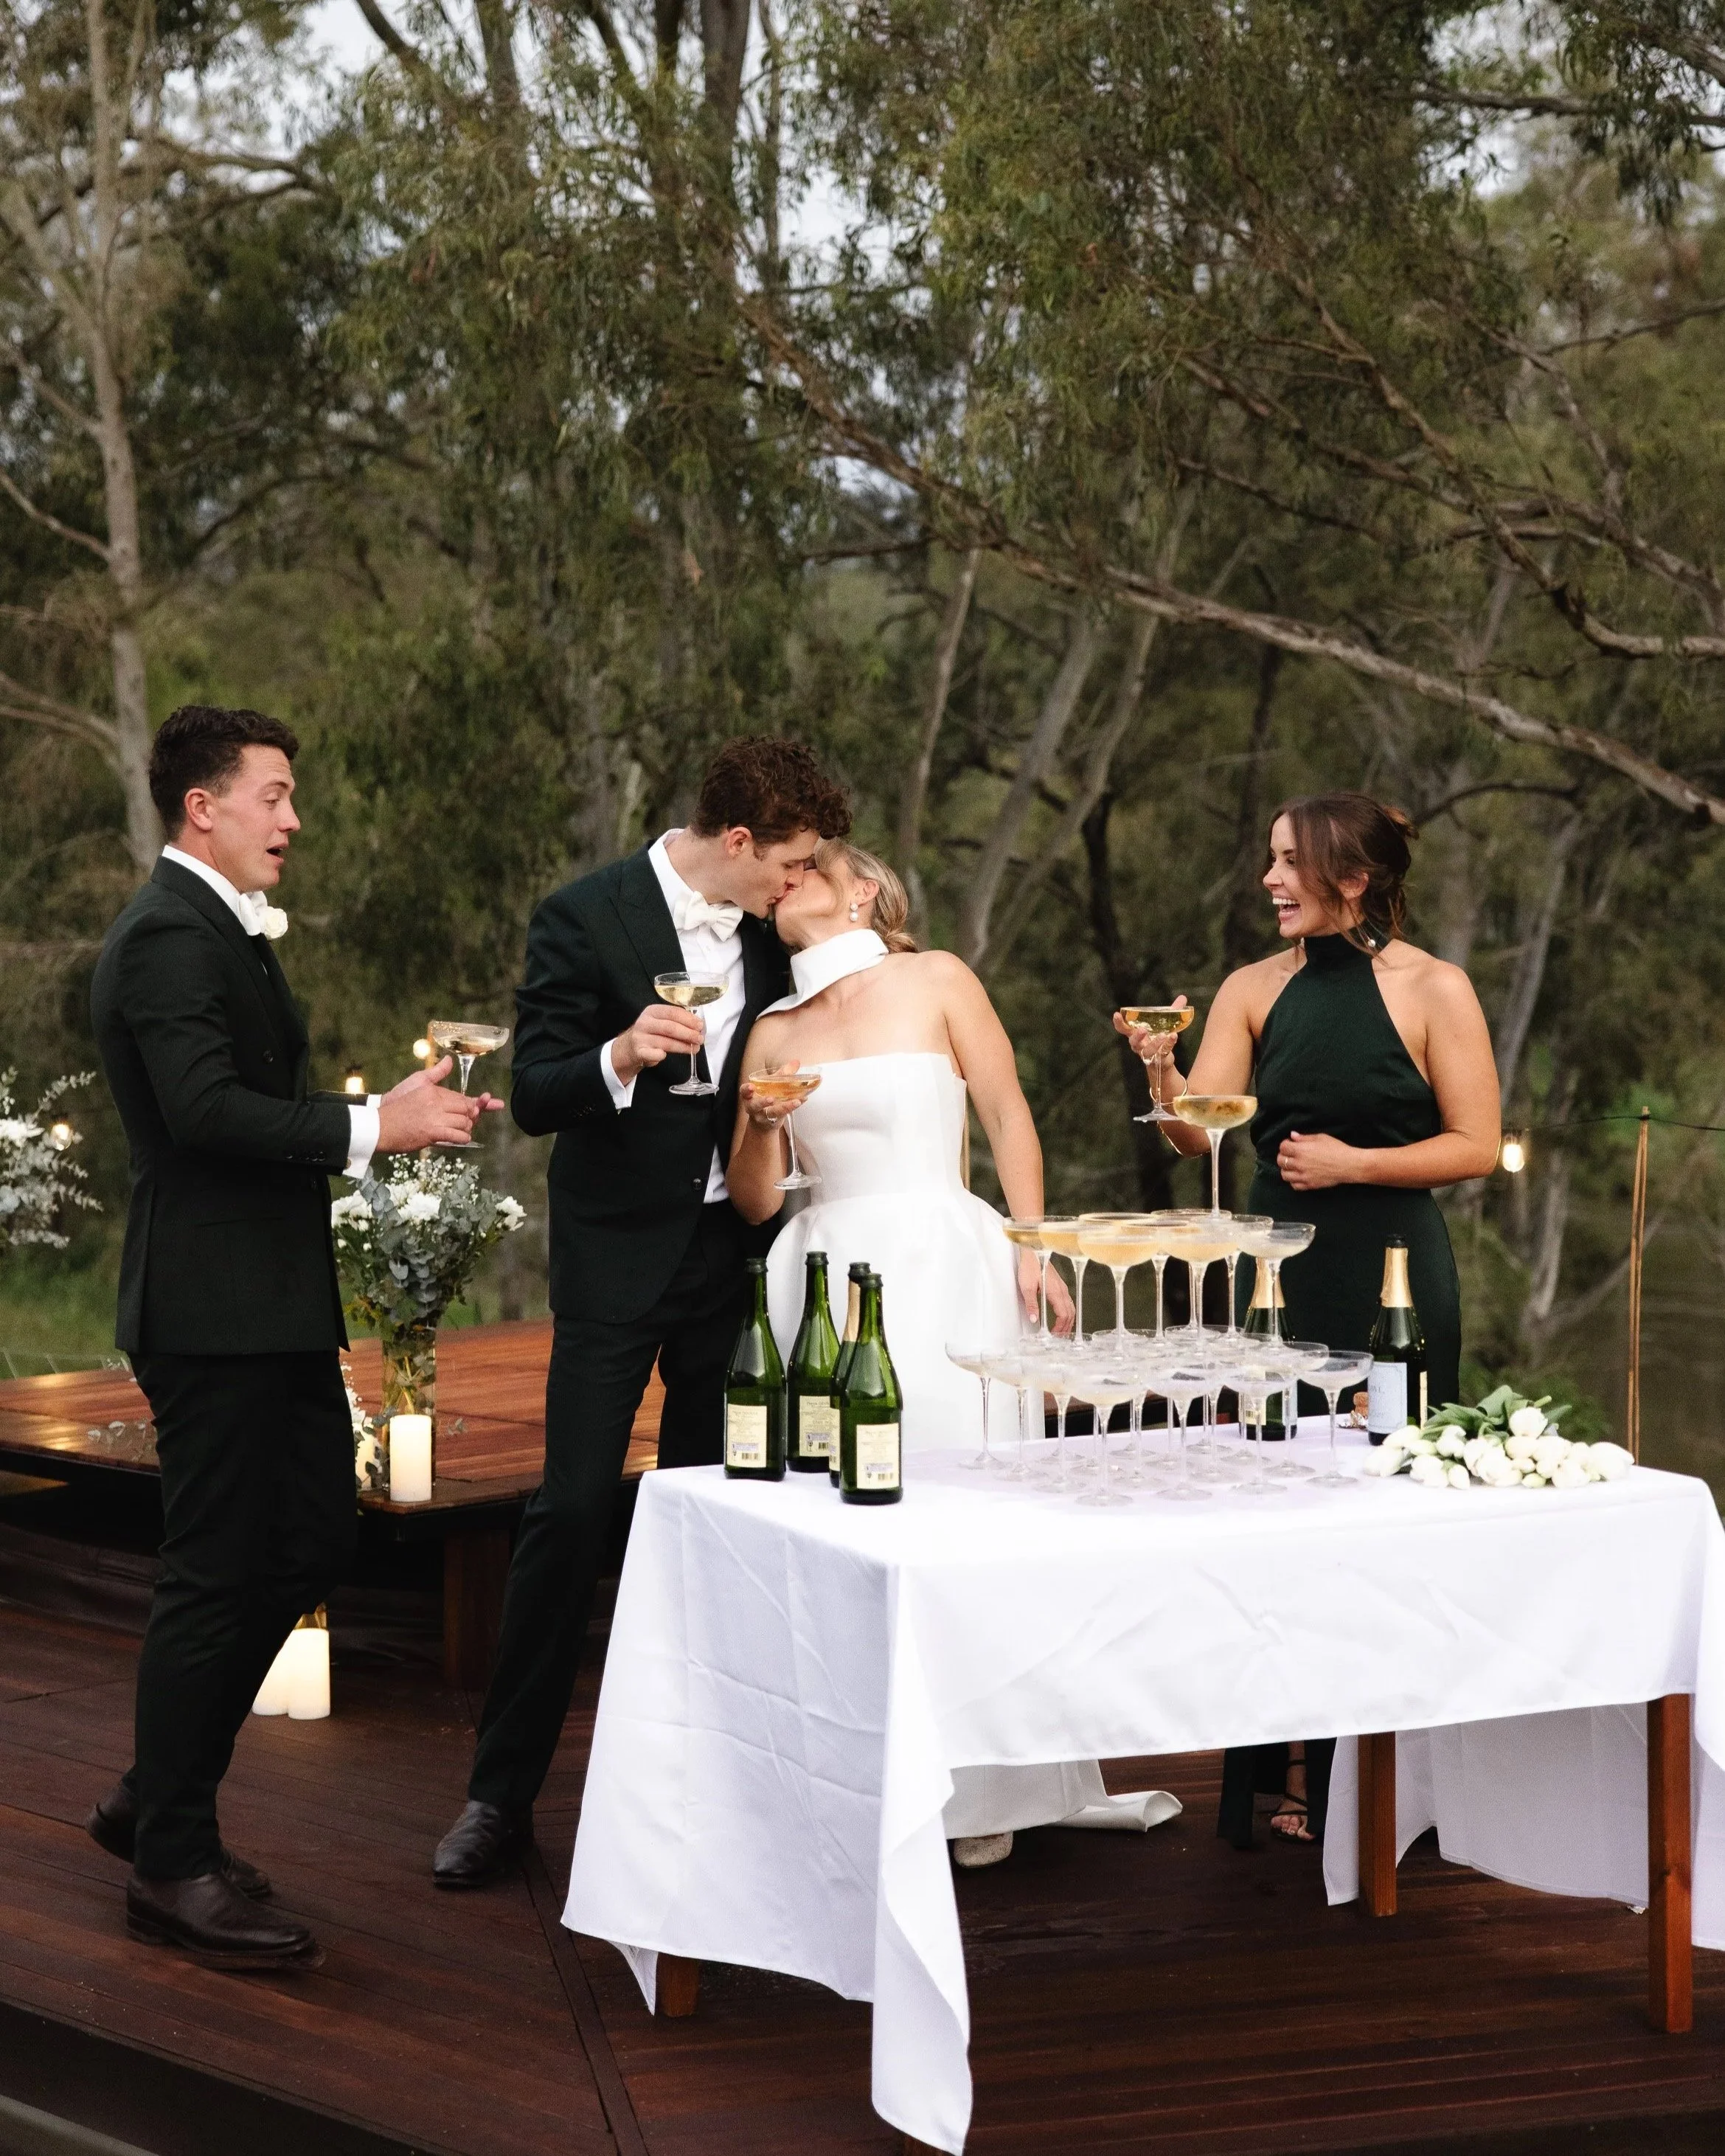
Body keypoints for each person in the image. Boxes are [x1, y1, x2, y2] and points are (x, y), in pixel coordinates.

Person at [88, 704, 486, 1971]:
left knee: (316, 1529)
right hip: (208, 1310)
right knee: (213, 1569)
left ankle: (155, 1792)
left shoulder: (223, 932)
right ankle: (170, 1862)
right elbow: (205, 1112)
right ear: (202, 806)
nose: (293, 818)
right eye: (274, 794)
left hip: (268, 1305)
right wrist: (379, 1129)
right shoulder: (162, 936)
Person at [433, 738, 852, 1887]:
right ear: (735, 844)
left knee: (720, 1511)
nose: (795, 879)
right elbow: (532, 1094)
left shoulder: (777, 928)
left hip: (737, 1256)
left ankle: (716, 1778)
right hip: (617, 1261)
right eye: (788, 860)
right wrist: (618, 1052)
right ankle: (498, 1796)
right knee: (568, 1515)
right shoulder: (583, 916)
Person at [728, 839, 1176, 1868]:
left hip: (939, 1259)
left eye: (808, 867)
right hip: (819, 1272)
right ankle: (852, 1771)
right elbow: (756, 1199)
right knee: (839, 1516)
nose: (786, 881)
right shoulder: (770, 1029)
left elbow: (1006, 1113)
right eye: (779, 873)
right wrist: (757, 1126)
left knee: (953, 1512)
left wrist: (1031, 1244)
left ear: (868, 891)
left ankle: (982, 1787)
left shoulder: (936, 978)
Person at [1121, 791, 1499, 1846]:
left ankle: (1400, 1787)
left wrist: (1355, 1163)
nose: (1268, 880)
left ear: (1352, 877)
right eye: (1270, 860)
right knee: (1281, 1513)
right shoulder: (1250, 988)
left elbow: (1474, 1142)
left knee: (1390, 1513)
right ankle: (1288, 1776)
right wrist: (1160, 1063)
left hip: (1394, 1273)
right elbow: (1200, 1139)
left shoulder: (1434, 987)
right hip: (1278, 1274)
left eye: (1289, 862)